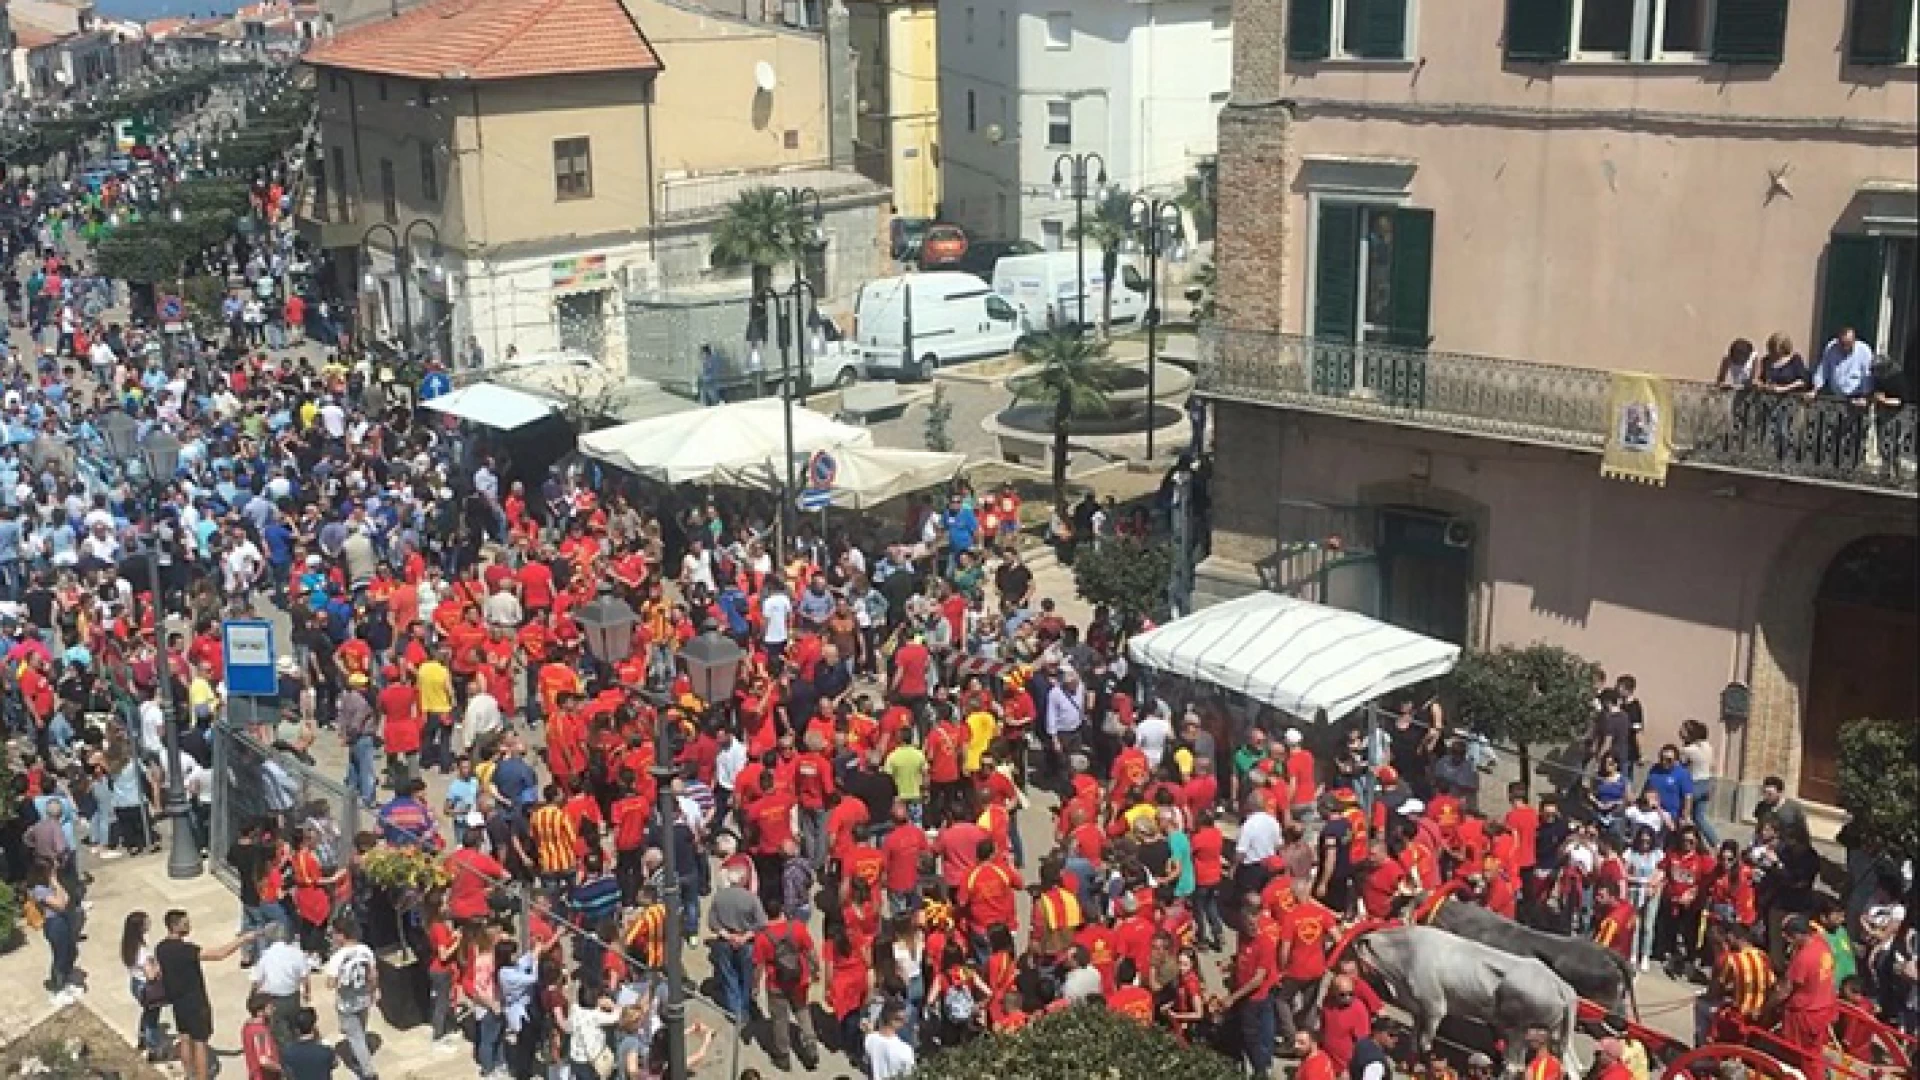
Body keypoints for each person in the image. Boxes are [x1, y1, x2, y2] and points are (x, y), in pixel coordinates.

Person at [156, 909, 257, 1080]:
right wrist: (243, 939)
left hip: (178, 1001)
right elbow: (219, 954)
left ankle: (188, 1074)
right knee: (200, 1041)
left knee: (184, 1037)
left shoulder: (161, 948)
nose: (189, 926)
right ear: (174, 926)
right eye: (185, 923)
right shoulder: (186, 950)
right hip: (195, 1001)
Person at [326, 918, 379, 1080]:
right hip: (364, 998)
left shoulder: (337, 957)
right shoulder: (366, 950)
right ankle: (358, 1058)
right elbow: (373, 974)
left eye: (335, 934)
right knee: (360, 1031)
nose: (333, 937)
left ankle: (368, 1072)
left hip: (347, 1003)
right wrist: (373, 991)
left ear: (342, 935)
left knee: (355, 1038)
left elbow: (330, 983)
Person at [280, 1006, 338, 1080]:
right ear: (313, 1027)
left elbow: (286, 1072)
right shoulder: (325, 1050)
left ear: (296, 1030)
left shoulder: (287, 1052)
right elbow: (335, 1063)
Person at [864, 999, 917, 1080]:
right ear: (895, 1021)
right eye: (904, 1019)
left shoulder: (870, 1039)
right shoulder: (906, 1050)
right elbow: (910, 1075)